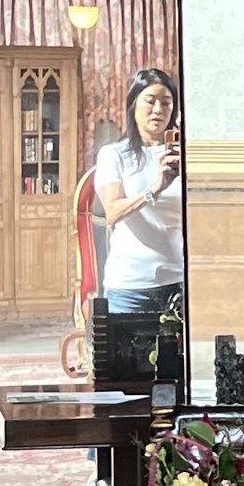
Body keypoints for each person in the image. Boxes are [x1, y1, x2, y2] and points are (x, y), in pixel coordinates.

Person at [91, 67, 185, 326]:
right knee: (126, 365)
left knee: (176, 365)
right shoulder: (114, 154)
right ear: (133, 104)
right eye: (150, 101)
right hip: (130, 286)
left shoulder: (185, 157)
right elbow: (112, 212)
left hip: (178, 282)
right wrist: (155, 188)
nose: (158, 110)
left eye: (166, 103)